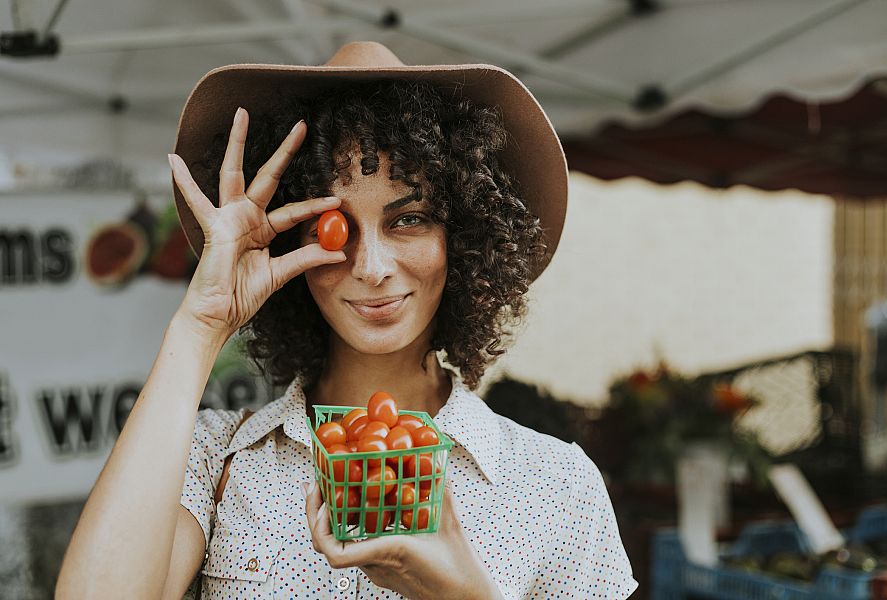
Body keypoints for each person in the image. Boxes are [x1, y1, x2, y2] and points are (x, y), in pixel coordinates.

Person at [56, 41, 637, 599]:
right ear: (290, 244)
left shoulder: (556, 487)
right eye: (331, 229)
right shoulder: (218, 460)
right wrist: (201, 325)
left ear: (462, 236)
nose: (371, 267)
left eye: (408, 219)